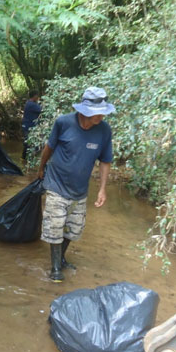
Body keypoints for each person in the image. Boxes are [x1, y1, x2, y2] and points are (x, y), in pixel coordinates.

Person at [37, 87, 115, 282]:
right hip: (56, 183)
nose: (100, 116)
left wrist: (103, 189)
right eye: (96, 112)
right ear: (83, 110)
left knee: (73, 228)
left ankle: (61, 258)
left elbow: (105, 161)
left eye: (102, 112)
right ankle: (55, 268)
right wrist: (41, 168)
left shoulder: (104, 131)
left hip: (80, 190)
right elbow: (49, 148)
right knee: (55, 226)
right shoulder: (63, 123)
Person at [21, 89, 42, 160]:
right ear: (35, 96)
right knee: (29, 144)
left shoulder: (30, 103)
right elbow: (41, 110)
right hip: (29, 127)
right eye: (37, 96)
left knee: (29, 143)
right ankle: (26, 159)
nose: (38, 97)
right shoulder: (31, 104)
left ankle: (26, 159)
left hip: (29, 126)